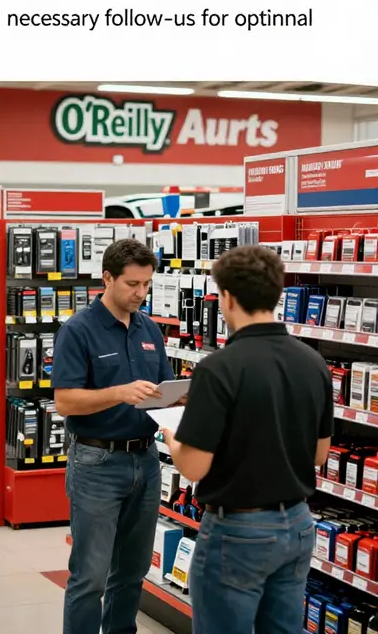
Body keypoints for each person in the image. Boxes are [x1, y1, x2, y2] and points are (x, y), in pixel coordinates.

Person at [161, 245, 332, 634]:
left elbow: (194, 466)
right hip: (298, 525)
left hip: (238, 532)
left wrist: (172, 438)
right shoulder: (313, 362)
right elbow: (319, 454)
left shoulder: (218, 369)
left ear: (227, 297)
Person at [52, 238, 174, 634]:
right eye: (132, 284)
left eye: (147, 284)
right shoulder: (78, 330)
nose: (141, 293)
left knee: (133, 572)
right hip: (97, 463)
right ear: (107, 278)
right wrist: (118, 393)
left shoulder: (149, 329)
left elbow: (166, 391)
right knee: (90, 576)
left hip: (146, 461)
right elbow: (66, 402)